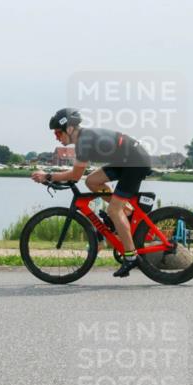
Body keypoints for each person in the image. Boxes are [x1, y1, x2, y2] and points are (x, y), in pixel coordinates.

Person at [31, 108, 152, 278]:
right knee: (92, 181)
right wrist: (53, 177)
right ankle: (127, 212)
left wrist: (48, 176)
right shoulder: (84, 139)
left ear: (70, 128)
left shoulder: (84, 142)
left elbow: (74, 175)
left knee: (113, 211)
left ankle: (131, 256)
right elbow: (79, 177)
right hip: (125, 161)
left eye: (58, 132)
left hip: (134, 163)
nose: (56, 137)